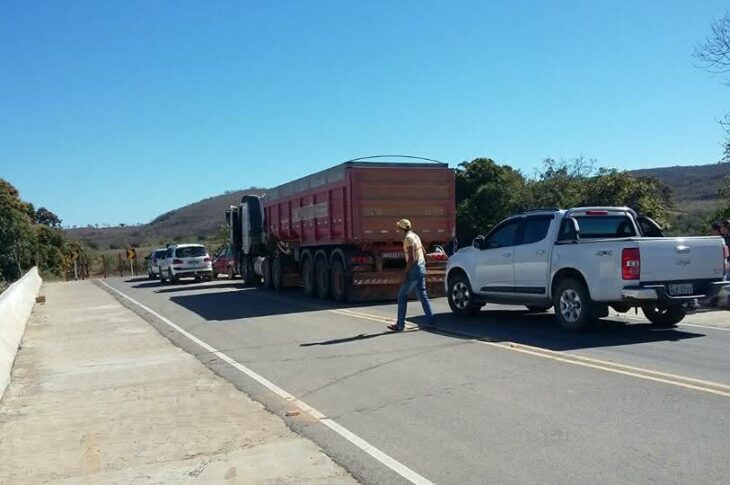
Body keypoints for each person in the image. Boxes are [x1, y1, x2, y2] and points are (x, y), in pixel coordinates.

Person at [388, 219, 435, 332]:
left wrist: (405, 274)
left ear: (401, 229)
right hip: (421, 267)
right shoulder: (415, 236)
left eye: (399, 228)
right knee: (422, 295)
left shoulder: (408, 239)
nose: (398, 231)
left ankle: (400, 324)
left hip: (414, 269)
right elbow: (424, 253)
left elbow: (411, 259)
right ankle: (430, 322)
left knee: (402, 295)